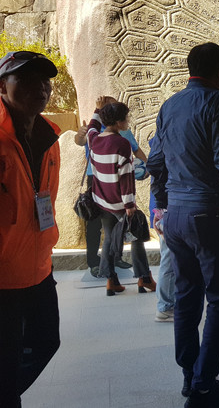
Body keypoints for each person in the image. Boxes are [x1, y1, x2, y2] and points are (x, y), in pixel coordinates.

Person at [147, 42, 219, 408]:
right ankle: (204, 385)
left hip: (176, 217)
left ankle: (189, 375)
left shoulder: (170, 105)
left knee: (186, 298)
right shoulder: (218, 103)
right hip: (211, 214)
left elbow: (156, 162)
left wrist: (162, 205)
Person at [0, 51, 61, 407]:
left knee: (46, 342)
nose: (40, 87)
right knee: (7, 367)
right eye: (25, 79)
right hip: (3, 278)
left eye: (44, 80)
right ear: (2, 86)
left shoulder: (48, 137)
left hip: (39, 268)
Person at [86, 97, 155, 296]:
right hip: (119, 203)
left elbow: (91, 127)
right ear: (118, 122)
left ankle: (111, 280)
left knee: (109, 237)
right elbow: (126, 177)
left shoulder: (94, 139)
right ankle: (144, 278)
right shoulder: (122, 144)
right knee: (137, 237)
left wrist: (97, 109)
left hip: (102, 201)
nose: (128, 121)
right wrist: (129, 204)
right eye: (126, 118)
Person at [149, 137, 175, 323]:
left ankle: (168, 304)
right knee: (169, 258)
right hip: (170, 209)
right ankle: (165, 306)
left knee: (169, 257)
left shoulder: (157, 146)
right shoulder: (170, 146)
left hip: (163, 209)